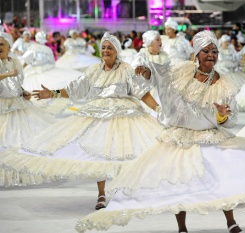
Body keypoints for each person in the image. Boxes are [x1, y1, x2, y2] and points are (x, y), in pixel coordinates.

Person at [75, 30, 245, 233]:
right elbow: (160, 74)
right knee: (180, 182)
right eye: (206, 51)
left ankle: (230, 221)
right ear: (196, 54)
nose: (212, 55)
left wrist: (222, 113)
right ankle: (182, 227)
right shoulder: (182, 72)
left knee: (222, 180)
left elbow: (231, 119)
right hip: (180, 136)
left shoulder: (225, 84)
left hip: (210, 136)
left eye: (214, 51)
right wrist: (146, 70)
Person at [0, 33, 162, 210]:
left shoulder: (126, 70)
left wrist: (160, 111)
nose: (106, 50)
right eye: (104, 47)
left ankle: (124, 191)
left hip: (125, 116)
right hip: (97, 116)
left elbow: (143, 95)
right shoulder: (94, 70)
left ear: (117, 51)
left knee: (126, 153)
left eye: (110, 47)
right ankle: (101, 193)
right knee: (99, 154)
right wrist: (52, 93)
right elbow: (74, 89)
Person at [0, 31, 56, 151]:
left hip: (16, 102)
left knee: (29, 134)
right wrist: (8, 74)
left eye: (1, 44)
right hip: (2, 105)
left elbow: (17, 82)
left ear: (9, 46)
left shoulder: (15, 62)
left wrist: (23, 91)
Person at [131, 30, 169, 116]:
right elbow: (134, 72)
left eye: (160, 39)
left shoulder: (164, 56)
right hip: (148, 93)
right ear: (150, 42)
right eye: (157, 40)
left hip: (164, 90)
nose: (160, 42)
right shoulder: (142, 55)